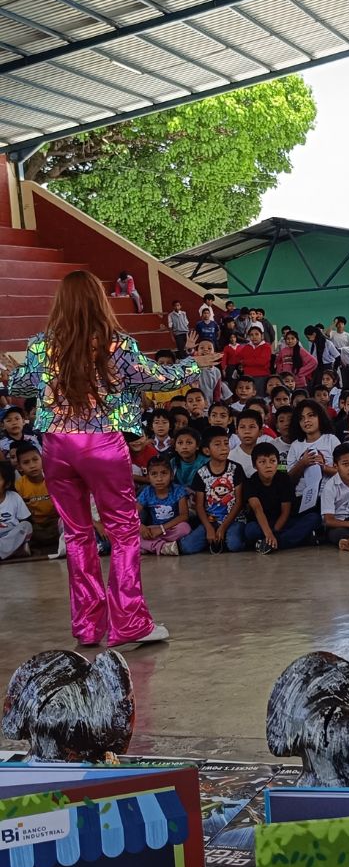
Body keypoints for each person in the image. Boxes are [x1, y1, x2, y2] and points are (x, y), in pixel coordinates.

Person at [3, 271, 204, 646]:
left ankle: (88, 627)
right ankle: (130, 622)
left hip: (56, 446)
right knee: (124, 530)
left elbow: (21, 385)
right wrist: (193, 363)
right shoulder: (117, 344)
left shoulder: (40, 346)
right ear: (99, 300)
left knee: (77, 534)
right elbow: (159, 379)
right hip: (101, 444)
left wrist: (12, 375)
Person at [180, 426, 245, 553]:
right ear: (207, 450)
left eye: (226, 443)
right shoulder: (201, 473)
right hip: (211, 521)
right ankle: (214, 539)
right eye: (217, 444)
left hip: (234, 520)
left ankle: (221, 539)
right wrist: (208, 527)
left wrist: (223, 527)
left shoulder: (236, 469)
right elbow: (199, 505)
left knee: (235, 545)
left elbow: (239, 502)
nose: (224, 448)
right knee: (187, 547)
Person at [137, 454, 191, 554]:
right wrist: (141, 527)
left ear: (171, 475)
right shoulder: (147, 492)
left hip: (171, 528)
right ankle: (163, 547)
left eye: (164, 473)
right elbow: (132, 514)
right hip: (153, 530)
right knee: (133, 532)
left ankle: (152, 545)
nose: (159, 479)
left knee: (185, 528)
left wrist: (161, 529)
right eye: (154, 474)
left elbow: (184, 516)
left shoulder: (178, 491)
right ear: (148, 477)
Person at [13, 441, 60, 553]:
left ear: (42, 460)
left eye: (35, 460)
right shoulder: (19, 486)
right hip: (35, 525)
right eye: (26, 462)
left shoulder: (54, 479)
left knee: (66, 523)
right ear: (19, 467)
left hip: (55, 521)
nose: (32, 465)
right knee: (24, 527)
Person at [0, 458, 32, 560]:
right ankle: (15, 550)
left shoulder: (14, 497)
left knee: (26, 526)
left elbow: (24, 519)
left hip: (11, 533)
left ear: (7, 484)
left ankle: (6, 549)